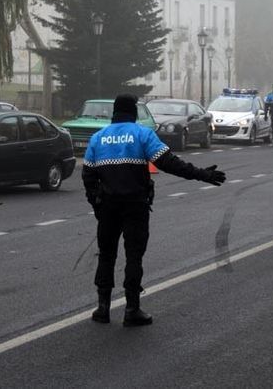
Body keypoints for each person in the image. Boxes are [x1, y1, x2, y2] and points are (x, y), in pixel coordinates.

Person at [82, 94, 226, 327]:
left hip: (107, 207)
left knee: (106, 255)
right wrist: (203, 174)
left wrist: (96, 204)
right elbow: (170, 163)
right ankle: (131, 309)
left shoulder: (98, 138)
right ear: (134, 113)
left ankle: (102, 309)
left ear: (114, 113)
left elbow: (88, 175)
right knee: (133, 256)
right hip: (135, 206)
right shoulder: (142, 135)